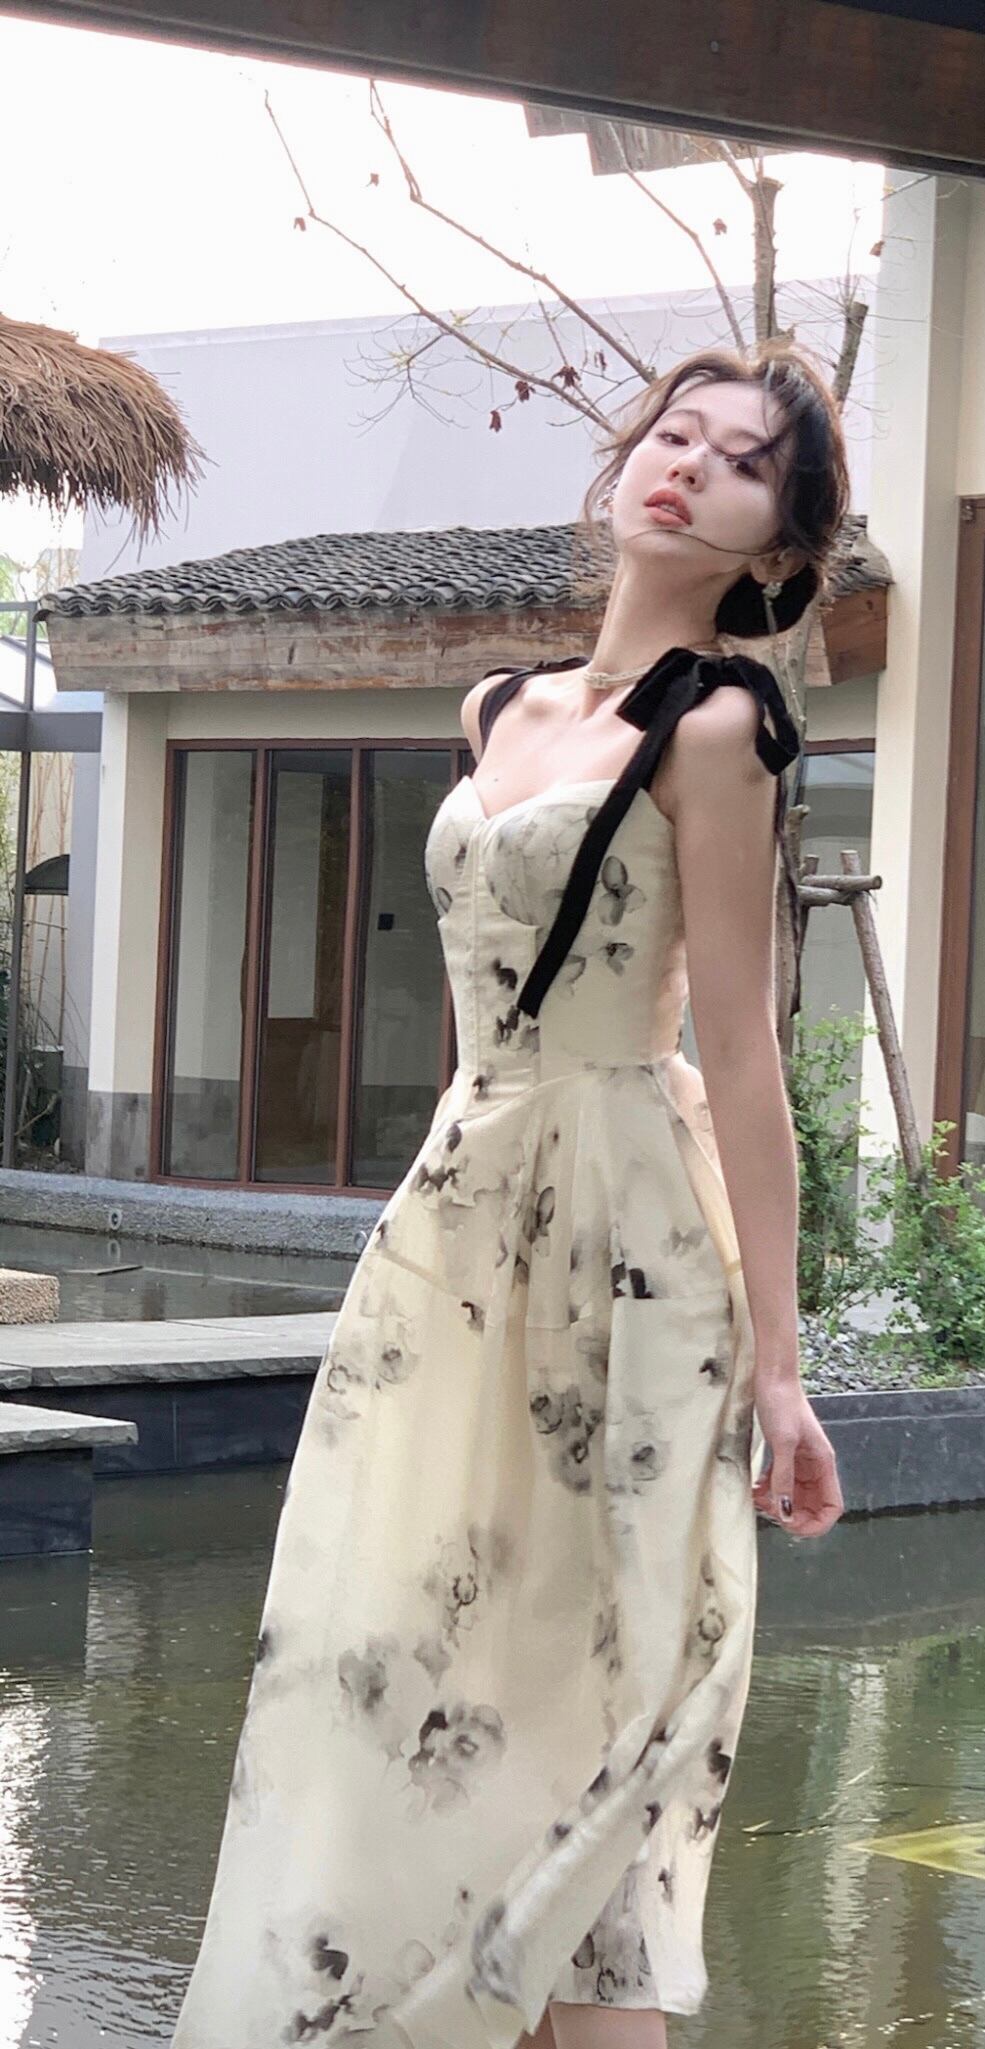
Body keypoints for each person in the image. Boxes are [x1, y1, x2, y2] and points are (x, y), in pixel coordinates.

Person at [169, 338, 849, 2049]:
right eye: (675, 432)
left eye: (742, 462)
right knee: (415, 1658)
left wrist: (781, 1369)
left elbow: (744, 1057)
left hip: (630, 1235)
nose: (688, 464)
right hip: (461, 1218)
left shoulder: (718, 731)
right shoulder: (495, 709)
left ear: (776, 546)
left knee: (603, 1700)